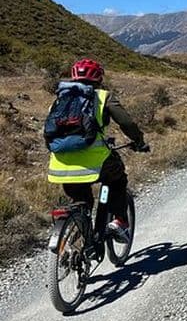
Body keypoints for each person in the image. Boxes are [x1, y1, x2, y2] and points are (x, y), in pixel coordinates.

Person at [46, 59, 149, 243]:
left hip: (60, 165)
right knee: (117, 179)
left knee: (82, 200)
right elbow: (126, 123)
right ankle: (118, 221)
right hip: (96, 162)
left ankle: (79, 238)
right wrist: (139, 141)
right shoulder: (103, 97)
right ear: (99, 77)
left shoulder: (60, 99)